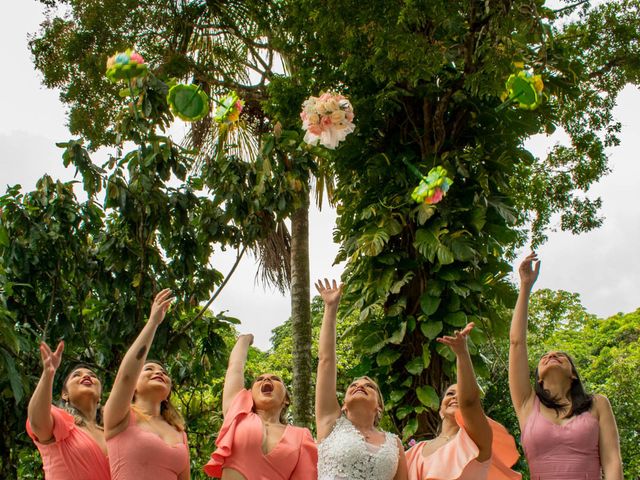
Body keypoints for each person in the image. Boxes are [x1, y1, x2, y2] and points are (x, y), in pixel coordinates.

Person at [509, 253, 623, 479]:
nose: (551, 354)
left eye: (561, 355)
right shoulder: (526, 404)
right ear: (538, 378)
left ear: (573, 374)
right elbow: (517, 343)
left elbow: (612, 462)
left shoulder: (597, 404)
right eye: (545, 357)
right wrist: (525, 287)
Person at [315, 279, 408, 480]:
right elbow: (326, 361)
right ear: (344, 406)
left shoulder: (395, 444)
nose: (360, 385)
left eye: (369, 386)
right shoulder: (331, 422)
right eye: (354, 385)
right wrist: (330, 308)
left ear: (379, 407)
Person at [405, 323, 520, 480]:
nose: (455, 397)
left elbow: (469, 403)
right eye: (450, 393)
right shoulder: (414, 452)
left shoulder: (476, 439)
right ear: (440, 410)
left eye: (461, 394)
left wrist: (462, 353)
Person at [203, 333, 317, 479]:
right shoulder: (238, 413)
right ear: (251, 395)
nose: (267, 379)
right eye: (259, 379)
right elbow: (235, 368)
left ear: (286, 399)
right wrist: (245, 339)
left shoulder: (301, 436)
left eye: (275, 379)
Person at [104, 288, 190, 480]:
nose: (158, 372)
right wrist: (153, 323)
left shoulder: (179, 432)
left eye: (163, 373)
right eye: (148, 369)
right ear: (134, 385)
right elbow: (125, 376)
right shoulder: (121, 417)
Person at [27, 340, 111, 479]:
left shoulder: (112, 432)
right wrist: (48, 373)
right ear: (65, 394)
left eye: (93, 376)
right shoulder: (61, 423)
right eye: (76, 375)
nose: (86, 376)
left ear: (100, 396)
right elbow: (37, 422)